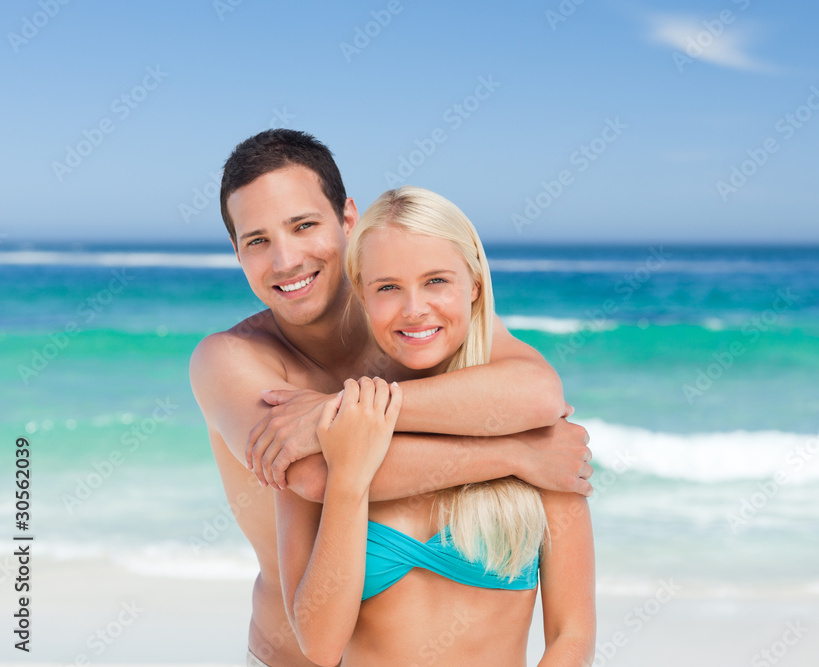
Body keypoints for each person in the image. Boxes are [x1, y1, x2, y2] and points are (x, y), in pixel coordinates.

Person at [189, 129, 593, 667]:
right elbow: (313, 478)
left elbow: (537, 393)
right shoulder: (232, 359)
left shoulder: (411, 313)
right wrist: (512, 454)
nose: (285, 259)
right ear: (237, 252)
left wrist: (333, 419)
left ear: (347, 219)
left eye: (304, 225)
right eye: (256, 241)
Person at [276, 186, 596, 666]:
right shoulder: (327, 433)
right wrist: (350, 471)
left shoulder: (540, 438)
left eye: (436, 281)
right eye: (387, 287)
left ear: (474, 287)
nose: (414, 309)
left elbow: (572, 636)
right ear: (362, 296)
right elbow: (318, 646)